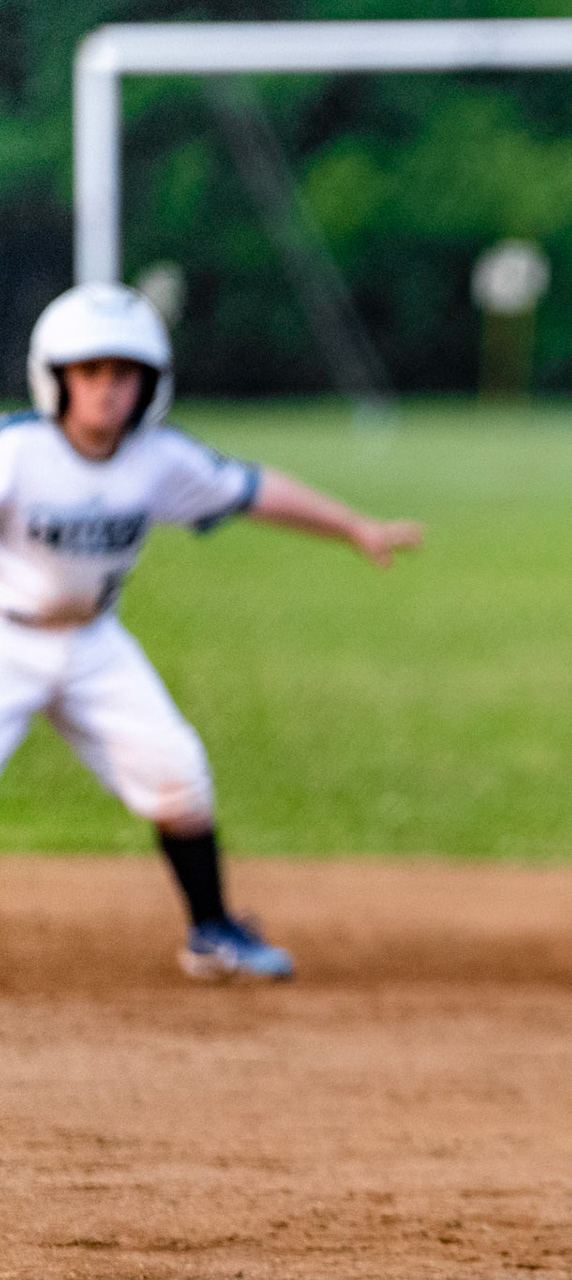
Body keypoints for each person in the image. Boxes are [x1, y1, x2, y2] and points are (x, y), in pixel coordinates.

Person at [0, 282, 422, 980]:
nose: (108, 390)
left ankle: (212, 933)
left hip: (91, 643)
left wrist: (355, 527)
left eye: (125, 374)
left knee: (178, 776)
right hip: (7, 638)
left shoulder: (157, 460)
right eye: (91, 372)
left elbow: (255, 491)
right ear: (56, 378)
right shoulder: (17, 453)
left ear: (151, 386)